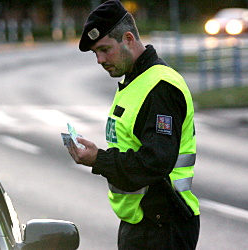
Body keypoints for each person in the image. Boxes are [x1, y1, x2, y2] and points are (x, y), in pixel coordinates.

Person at [67, 0, 200, 249]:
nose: (99, 59)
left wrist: (99, 159)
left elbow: (156, 161)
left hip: (163, 224)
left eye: (105, 49)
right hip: (142, 223)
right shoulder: (135, 81)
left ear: (128, 39)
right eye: (95, 53)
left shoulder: (160, 87)